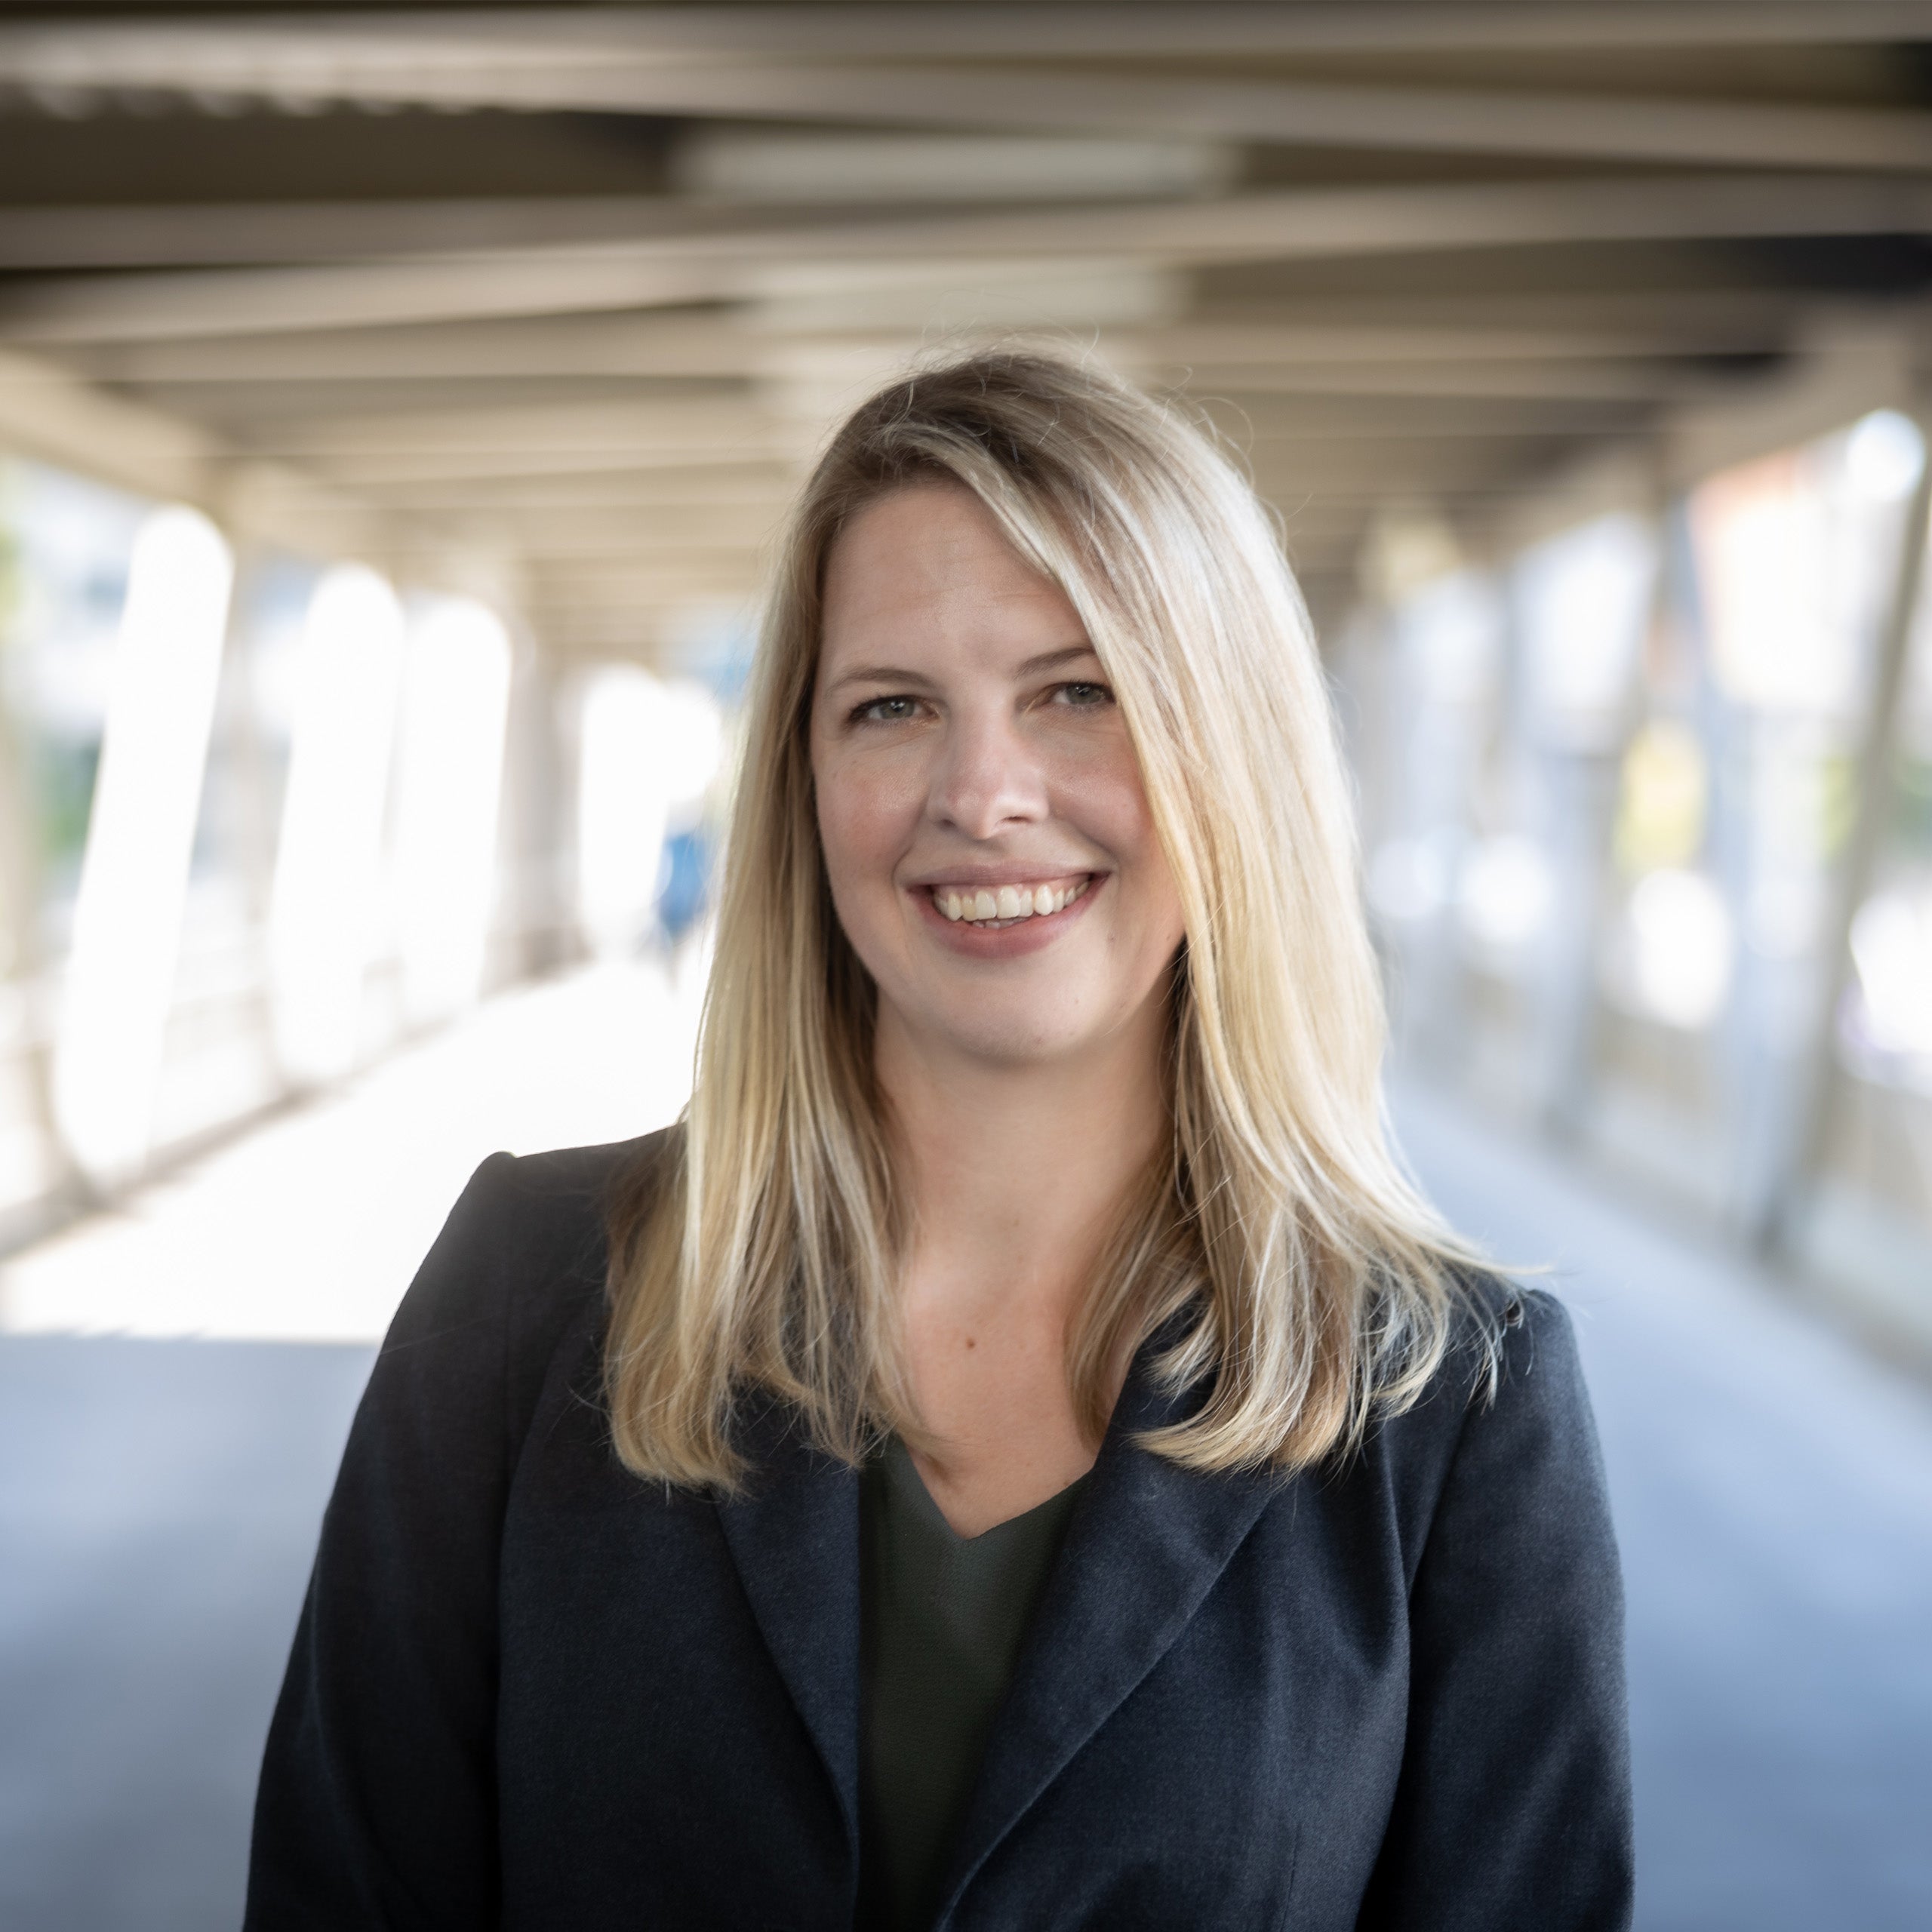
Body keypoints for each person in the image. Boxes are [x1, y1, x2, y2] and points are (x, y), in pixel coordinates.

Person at [245, 350, 1631, 1930]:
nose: (981, 793)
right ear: (804, 780)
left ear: (1227, 751)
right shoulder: (531, 1291)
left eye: (1077, 690)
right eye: (892, 706)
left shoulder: (1457, 1400)